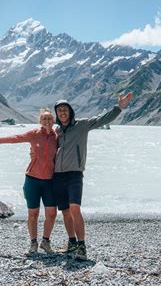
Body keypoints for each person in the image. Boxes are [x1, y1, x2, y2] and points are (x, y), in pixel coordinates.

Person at [53, 92, 134, 260]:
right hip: (58, 176)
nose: (62, 112)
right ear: (57, 113)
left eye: (65, 109)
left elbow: (101, 119)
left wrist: (118, 107)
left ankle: (82, 246)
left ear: (70, 111)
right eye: (59, 110)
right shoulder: (57, 131)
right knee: (65, 212)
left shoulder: (82, 125)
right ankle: (71, 243)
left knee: (75, 209)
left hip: (75, 174)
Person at [0, 109, 58, 254]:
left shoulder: (57, 136)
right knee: (33, 214)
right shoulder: (33, 134)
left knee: (51, 214)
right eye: (44, 119)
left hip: (50, 181)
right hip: (32, 180)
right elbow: (16, 138)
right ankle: (33, 243)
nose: (47, 121)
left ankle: (45, 241)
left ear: (54, 121)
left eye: (50, 119)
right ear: (40, 121)